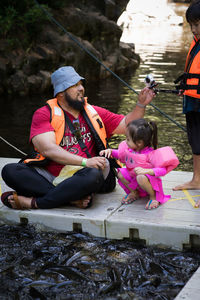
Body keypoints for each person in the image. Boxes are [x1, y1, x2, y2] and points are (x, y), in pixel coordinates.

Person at [1, 66, 155, 210]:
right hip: (52, 175)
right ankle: (72, 199)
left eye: (81, 84)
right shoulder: (43, 114)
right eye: (75, 85)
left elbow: (127, 124)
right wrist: (84, 161)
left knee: (92, 174)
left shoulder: (92, 111)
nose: (81, 88)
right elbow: (48, 149)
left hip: (85, 174)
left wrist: (141, 104)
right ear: (61, 93)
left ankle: (34, 202)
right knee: (10, 170)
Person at [100, 118, 179, 210]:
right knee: (120, 173)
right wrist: (110, 151)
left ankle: (153, 197)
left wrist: (147, 171)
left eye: (128, 139)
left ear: (139, 142)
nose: (126, 141)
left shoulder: (151, 154)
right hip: (133, 178)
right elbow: (121, 154)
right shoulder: (130, 149)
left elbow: (163, 170)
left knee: (140, 176)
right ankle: (134, 193)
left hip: (148, 181)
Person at [172, 0, 200, 208]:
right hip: (192, 99)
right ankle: (197, 179)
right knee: (195, 140)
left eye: (198, 24)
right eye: (191, 25)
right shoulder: (195, 42)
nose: (194, 29)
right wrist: (184, 84)